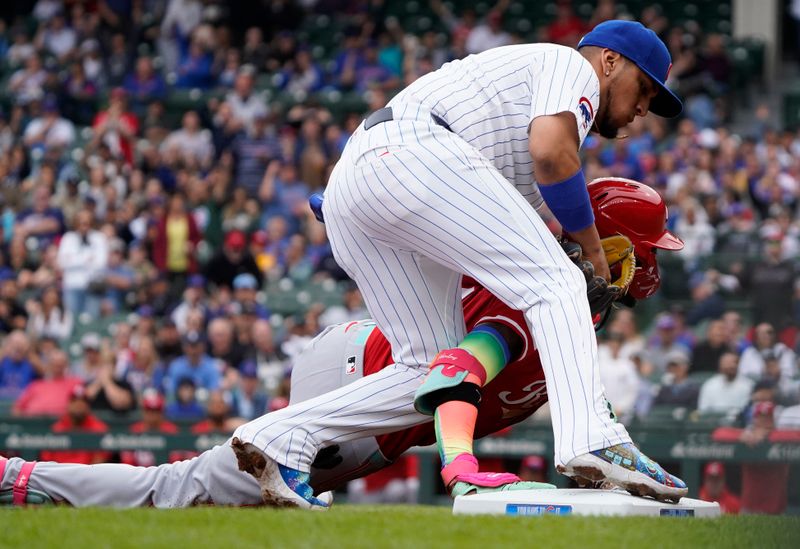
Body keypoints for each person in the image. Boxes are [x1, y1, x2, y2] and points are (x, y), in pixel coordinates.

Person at [0, 178, 686, 508]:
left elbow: (585, 411)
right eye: (639, 253)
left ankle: (23, 479)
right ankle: (18, 478)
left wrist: (636, 469)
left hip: (374, 389)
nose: (646, 271)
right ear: (602, 243)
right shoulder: (533, 298)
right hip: (360, 375)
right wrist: (462, 462)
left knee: (211, 502)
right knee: (182, 489)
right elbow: (455, 372)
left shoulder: (565, 306)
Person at [233, 21, 687, 507]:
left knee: (427, 367)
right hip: (413, 153)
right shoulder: (571, 66)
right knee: (558, 284)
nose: (644, 108)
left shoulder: (522, 131)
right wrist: (592, 251)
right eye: (645, 88)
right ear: (611, 62)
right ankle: (591, 439)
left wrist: (363, 191)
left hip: (366, 179)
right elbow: (553, 154)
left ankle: (282, 438)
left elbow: (506, 224)